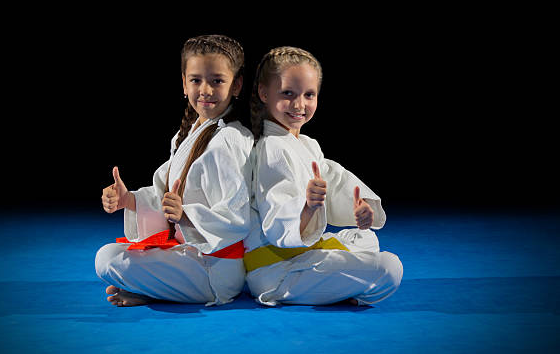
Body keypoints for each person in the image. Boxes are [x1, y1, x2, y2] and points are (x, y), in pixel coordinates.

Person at [95, 35, 254, 307]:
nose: (205, 90)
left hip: (216, 270)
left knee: (108, 259)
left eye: (217, 80)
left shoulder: (231, 139)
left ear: (236, 84)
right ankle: (157, 288)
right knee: (108, 254)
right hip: (190, 255)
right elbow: (165, 195)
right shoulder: (190, 133)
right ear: (183, 83)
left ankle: (155, 289)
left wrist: (186, 215)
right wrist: (129, 200)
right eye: (196, 80)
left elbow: (237, 219)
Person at [244, 46, 403, 306]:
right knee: (389, 268)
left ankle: (334, 286)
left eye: (309, 94)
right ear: (264, 93)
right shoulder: (269, 147)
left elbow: (335, 181)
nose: (299, 105)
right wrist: (306, 208)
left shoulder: (307, 144)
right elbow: (276, 213)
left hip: (302, 256)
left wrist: (358, 208)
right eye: (288, 94)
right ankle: (336, 290)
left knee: (365, 238)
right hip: (276, 269)